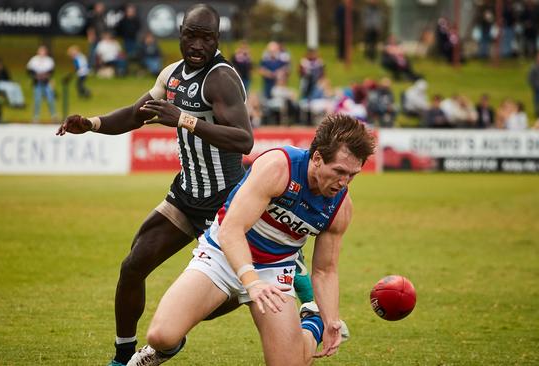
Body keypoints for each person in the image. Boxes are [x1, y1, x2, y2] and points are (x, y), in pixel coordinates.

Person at [55, 5, 253, 366]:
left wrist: (185, 119)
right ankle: (123, 357)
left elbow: (244, 140)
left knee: (215, 300)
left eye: (206, 38)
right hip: (186, 196)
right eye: (190, 35)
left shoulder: (221, 78)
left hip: (225, 204)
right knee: (133, 265)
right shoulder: (172, 75)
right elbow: (136, 113)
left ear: (217, 40)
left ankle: (173, 337)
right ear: (179, 33)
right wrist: (92, 123)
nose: (197, 44)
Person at [127, 114, 374, 366]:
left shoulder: (340, 207)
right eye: (339, 171)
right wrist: (251, 282)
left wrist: (331, 318)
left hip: (274, 270)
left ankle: (313, 322)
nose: (343, 183)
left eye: (352, 175)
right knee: (161, 335)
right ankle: (166, 350)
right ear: (318, 158)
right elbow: (231, 230)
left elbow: (325, 270)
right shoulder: (279, 167)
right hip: (221, 255)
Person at [27, 45, 57, 123]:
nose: (42, 53)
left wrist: (45, 76)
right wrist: (35, 76)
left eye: (43, 51)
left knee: (50, 99)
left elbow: (51, 71)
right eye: (41, 51)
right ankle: (36, 117)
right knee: (37, 100)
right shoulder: (34, 60)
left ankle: (54, 116)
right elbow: (29, 71)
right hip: (37, 83)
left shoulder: (49, 60)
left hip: (46, 82)